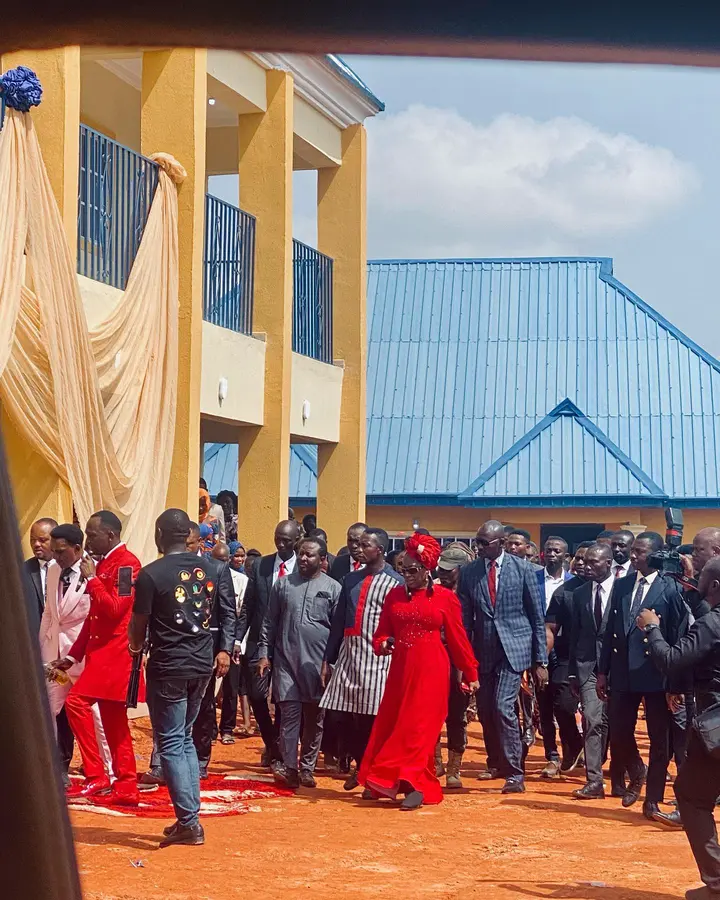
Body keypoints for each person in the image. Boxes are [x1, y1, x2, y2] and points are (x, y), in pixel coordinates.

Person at [129, 508, 232, 848]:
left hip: (169, 665)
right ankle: (189, 817)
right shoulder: (212, 569)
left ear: (159, 535)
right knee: (184, 738)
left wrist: (135, 646)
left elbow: (139, 626)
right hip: (201, 664)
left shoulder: (150, 574)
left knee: (171, 741)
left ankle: (189, 821)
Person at [358, 533, 478, 809]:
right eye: (403, 570)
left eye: (412, 571)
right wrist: (383, 643)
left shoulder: (445, 598)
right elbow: (381, 634)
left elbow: (459, 640)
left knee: (419, 729)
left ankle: (415, 785)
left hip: (432, 670)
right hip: (401, 670)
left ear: (427, 570)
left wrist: (470, 673)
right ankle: (392, 780)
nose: (407, 576)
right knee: (395, 725)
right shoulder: (394, 596)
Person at [638, 557, 720, 899]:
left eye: (701, 576)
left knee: (691, 796)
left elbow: (672, 658)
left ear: (714, 586)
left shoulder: (713, 624)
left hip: (715, 726)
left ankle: (717, 883)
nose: (695, 578)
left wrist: (651, 627)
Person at [51, 512, 142, 805]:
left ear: (110, 536)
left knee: (76, 702)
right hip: (100, 654)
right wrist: (73, 655)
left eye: (92, 535)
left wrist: (91, 579)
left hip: (115, 654)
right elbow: (93, 617)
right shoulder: (105, 563)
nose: (88, 540)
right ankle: (125, 784)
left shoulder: (127, 565)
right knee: (115, 722)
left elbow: (115, 609)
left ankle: (97, 776)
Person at [597, 531, 689, 823]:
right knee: (620, 730)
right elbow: (609, 628)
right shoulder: (622, 585)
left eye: (640, 552)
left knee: (659, 741)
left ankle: (652, 800)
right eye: (632, 551)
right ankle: (636, 770)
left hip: (656, 672)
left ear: (657, 555)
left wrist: (675, 682)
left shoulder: (670, 588)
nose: (633, 556)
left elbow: (677, 635)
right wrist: (602, 671)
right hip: (623, 670)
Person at [458, 520, 547, 793]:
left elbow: (536, 617)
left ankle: (514, 772)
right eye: (478, 542)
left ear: (502, 543)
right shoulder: (470, 572)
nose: (480, 547)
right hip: (483, 651)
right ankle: (495, 761)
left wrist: (540, 660)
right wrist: (465, 661)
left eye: (485, 543)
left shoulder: (524, 570)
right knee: (485, 710)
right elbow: (466, 620)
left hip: (515, 649)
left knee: (502, 707)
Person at [321, 528, 403, 789]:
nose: (358, 548)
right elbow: (337, 624)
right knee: (342, 716)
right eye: (356, 544)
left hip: (379, 660)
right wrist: (328, 658)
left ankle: (371, 773)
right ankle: (359, 763)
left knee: (372, 719)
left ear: (379, 549)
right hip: (349, 656)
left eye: (365, 545)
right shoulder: (349, 580)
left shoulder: (396, 583)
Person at [257, 537, 340, 788]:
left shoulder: (334, 588)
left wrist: (332, 663)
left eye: (310, 555)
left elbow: (337, 633)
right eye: (301, 554)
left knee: (314, 718)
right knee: (290, 715)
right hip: (286, 662)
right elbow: (269, 622)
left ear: (322, 559)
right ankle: (290, 768)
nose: (303, 559)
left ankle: (307, 767)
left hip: (318, 666)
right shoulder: (282, 585)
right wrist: (264, 653)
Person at [39, 524, 109, 789]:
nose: (56, 557)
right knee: (48, 709)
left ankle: (107, 772)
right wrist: (41, 648)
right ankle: (52, 769)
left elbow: (99, 615)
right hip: (54, 658)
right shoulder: (54, 570)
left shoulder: (94, 572)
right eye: (53, 551)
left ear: (78, 549)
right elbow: (49, 612)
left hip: (82, 657)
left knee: (95, 715)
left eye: (61, 551)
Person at [237, 519, 300, 765]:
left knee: (285, 698)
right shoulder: (261, 565)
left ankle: (279, 749)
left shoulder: (302, 569)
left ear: (296, 540)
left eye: (286, 540)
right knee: (256, 694)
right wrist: (236, 639)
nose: (281, 544)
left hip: (288, 643)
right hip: (258, 642)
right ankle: (272, 741)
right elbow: (248, 606)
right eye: (277, 538)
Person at [25, 516, 75, 773]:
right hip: (38, 650)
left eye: (42, 539)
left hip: (68, 652)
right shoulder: (24, 570)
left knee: (67, 709)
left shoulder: (73, 570)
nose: (36, 544)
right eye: (33, 539)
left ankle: (65, 762)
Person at [568, 542, 614, 799]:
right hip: (588, 667)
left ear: (608, 563)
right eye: (586, 562)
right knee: (592, 721)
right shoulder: (580, 593)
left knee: (618, 725)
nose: (587, 566)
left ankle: (624, 774)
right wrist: (574, 672)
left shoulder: (623, 590)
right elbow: (576, 634)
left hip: (617, 667)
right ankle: (594, 781)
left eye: (594, 562)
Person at [192, 540, 240, 777]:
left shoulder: (216, 569)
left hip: (207, 648)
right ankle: (161, 761)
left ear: (198, 543)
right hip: (173, 648)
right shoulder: (166, 566)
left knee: (203, 703)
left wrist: (225, 650)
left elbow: (229, 613)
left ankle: (201, 758)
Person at [543, 544, 589, 778]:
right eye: (579, 559)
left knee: (601, 714)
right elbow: (550, 628)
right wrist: (542, 660)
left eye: (587, 559)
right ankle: (574, 743)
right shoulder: (564, 592)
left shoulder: (616, 589)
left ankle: (596, 757)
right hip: (566, 657)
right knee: (561, 704)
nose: (582, 563)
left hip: (603, 658)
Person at [435, 541, 475, 788]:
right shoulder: (433, 591)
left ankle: (454, 768)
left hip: (460, 660)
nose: (443, 573)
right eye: (441, 567)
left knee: (457, 715)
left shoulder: (470, 596)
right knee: (432, 712)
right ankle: (435, 761)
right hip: (435, 657)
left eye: (449, 569)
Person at [534, 536, 573, 776]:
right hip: (538, 648)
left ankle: (571, 749)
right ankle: (551, 755)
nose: (551, 554)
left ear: (565, 557)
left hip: (565, 651)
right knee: (544, 706)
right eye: (548, 550)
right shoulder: (533, 579)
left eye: (557, 551)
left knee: (565, 705)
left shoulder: (574, 583)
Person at [219, 541, 250, 744]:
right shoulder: (215, 576)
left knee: (232, 686)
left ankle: (227, 729)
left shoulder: (245, 581)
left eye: (241, 556)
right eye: (234, 556)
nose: (238, 559)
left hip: (235, 640)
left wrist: (237, 640)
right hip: (214, 635)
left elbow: (243, 614)